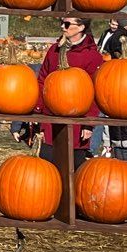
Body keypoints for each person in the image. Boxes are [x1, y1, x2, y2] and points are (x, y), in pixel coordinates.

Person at [37, 15, 104, 166]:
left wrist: (89, 123)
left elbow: (96, 90)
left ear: (81, 27)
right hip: (50, 118)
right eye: (61, 22)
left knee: (72, 166)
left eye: (67, 24)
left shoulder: (91, 55)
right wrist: (38, 110)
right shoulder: (54, 50)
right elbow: (42, 80)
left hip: (78, 121)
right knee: (47, 164)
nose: (62, 27)